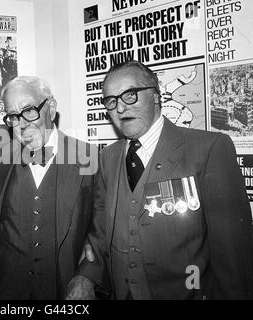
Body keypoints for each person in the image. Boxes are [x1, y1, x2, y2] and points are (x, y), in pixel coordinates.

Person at [67, 60, 253, 300]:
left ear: (155, 96)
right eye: (111, 101)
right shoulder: (107, 158)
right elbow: (101, 230)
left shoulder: (208, 148)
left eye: (130, 95)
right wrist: (86, 275)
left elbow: (234, 254)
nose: (120, 108)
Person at [0, 76, 98, 299]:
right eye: (13, 117)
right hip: (6, 289)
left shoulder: (88, 157)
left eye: (29, 110)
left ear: (51, 108)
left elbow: (100, 229)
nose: (22, 123)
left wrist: (88, 275)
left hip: (64, 288)